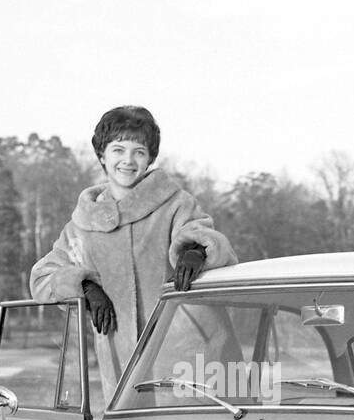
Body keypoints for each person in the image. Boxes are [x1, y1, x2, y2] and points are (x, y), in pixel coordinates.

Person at [30, 105, 235, 401]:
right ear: (102, 155)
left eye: (139, 151)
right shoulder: (82, 226)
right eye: (118, 150)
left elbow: (207, 237)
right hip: (123, 371)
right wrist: (85, 287)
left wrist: (195, 251)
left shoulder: (176, 204)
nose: (128, 160)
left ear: (150, 157)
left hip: (193, 363)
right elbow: (41, 279)